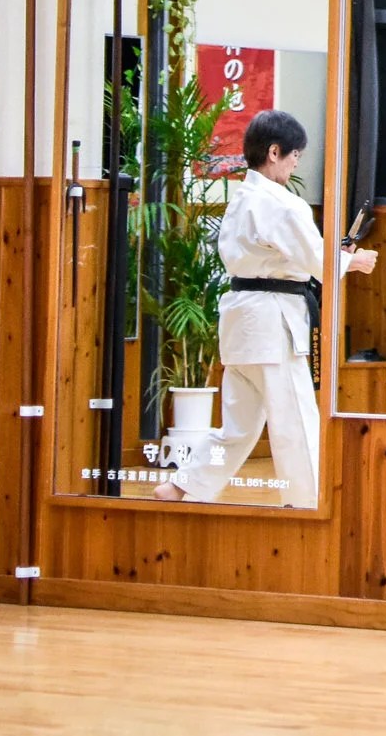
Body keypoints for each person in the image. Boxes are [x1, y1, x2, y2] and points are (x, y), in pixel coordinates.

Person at [159, 111, 374, 508]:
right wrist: (351, 261)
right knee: (295, 418)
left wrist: (333, 257)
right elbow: (318, 262)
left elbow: (287, 256)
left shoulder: (244, 198)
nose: (296, 163)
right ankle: (311, 504)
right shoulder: (283, 204)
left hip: (242, 318)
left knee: (239, 426)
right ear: (274, 152)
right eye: (294, 155)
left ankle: (184, 485)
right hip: (273, 322)